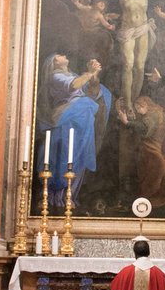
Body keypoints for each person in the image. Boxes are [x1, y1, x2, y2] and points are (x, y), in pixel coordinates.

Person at [36, 52, 112, 206]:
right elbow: (74, 86)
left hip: (83, 119)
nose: (62, 55)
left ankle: (70, 196)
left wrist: (94, 74)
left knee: (80, 155)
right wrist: (89, 72)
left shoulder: (73, 74)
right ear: (54, 63)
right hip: (69, 118)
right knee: (66, 156)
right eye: (58, 56)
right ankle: (57, 197)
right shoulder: (55, 76)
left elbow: (93, 92)